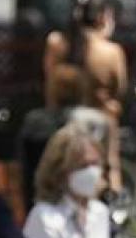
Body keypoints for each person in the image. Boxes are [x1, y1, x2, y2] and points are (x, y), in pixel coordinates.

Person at [43, 0, 127, 191]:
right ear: (103, 18)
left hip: (60, 128)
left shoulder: (56, 44)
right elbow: (119, 89)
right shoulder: (111, 51)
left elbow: (48, 81)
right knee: (101, 184)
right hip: (100, 131)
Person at [18, 65, 111, 209]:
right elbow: (105, 166)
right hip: (79, 196)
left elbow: (25, 170)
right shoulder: (96, 122)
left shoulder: (34, 122)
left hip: (46, 195)